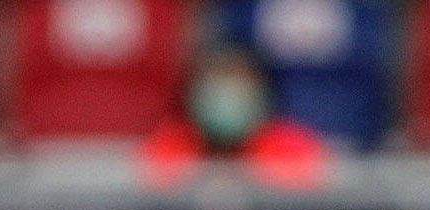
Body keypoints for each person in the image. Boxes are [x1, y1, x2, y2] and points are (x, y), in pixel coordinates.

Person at [140, 44, 332, 190]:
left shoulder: (293, 149)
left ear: (261, 91)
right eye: (217, 81)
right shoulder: (168, 147)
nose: (227, 95)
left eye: (239, 80)